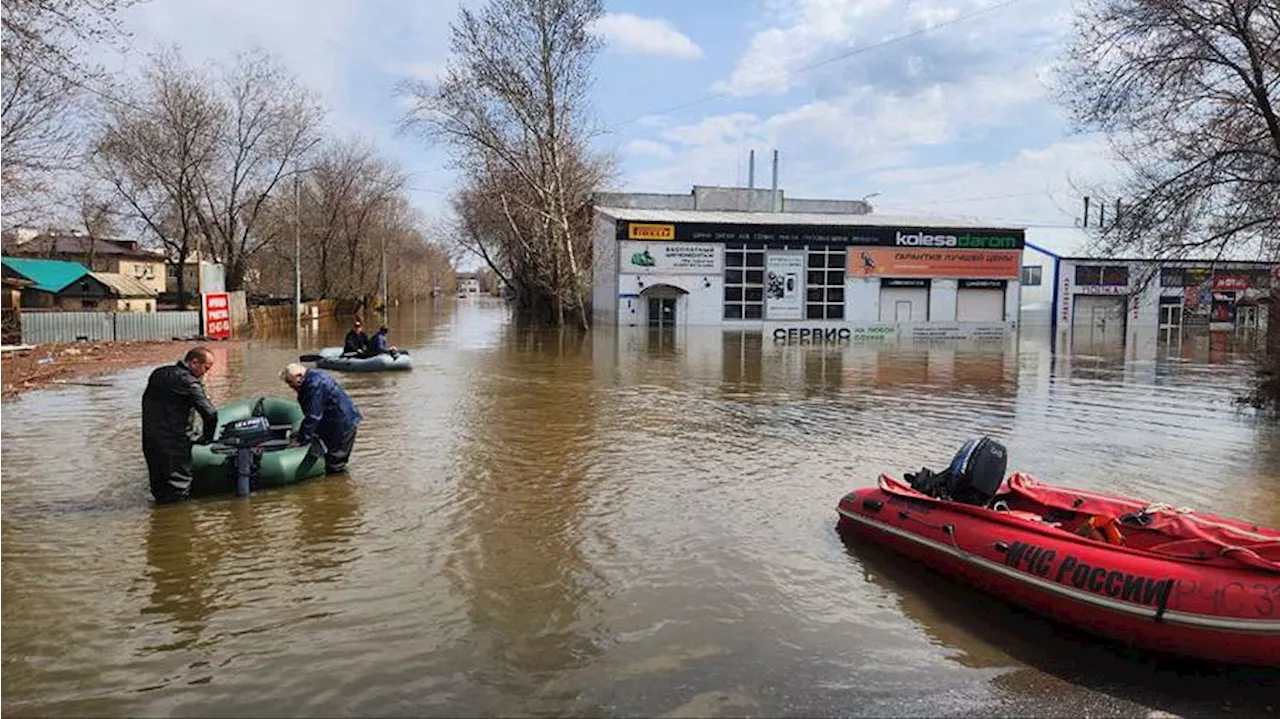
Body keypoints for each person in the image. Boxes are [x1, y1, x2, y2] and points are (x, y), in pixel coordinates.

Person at [142, 347, 218, 504]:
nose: (206, 373)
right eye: (206, 368)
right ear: (194, 362)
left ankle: (160, 520)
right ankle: (178, 522)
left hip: (151, 440)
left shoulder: (158, 373)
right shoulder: (189, 383)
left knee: (158, 485)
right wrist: (206, 438)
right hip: (175, 443)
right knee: (178, 488)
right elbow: (210, 414)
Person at [280, 363, 363, 474]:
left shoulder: (314, 385)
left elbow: (313, 416)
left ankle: (338, 486)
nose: (290, 386)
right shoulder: (311, 378)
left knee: (335, 463)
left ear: (299, 376)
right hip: (333, 421)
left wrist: (301, 441)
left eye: (290, 382)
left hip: (343, 425)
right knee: (331, 456)